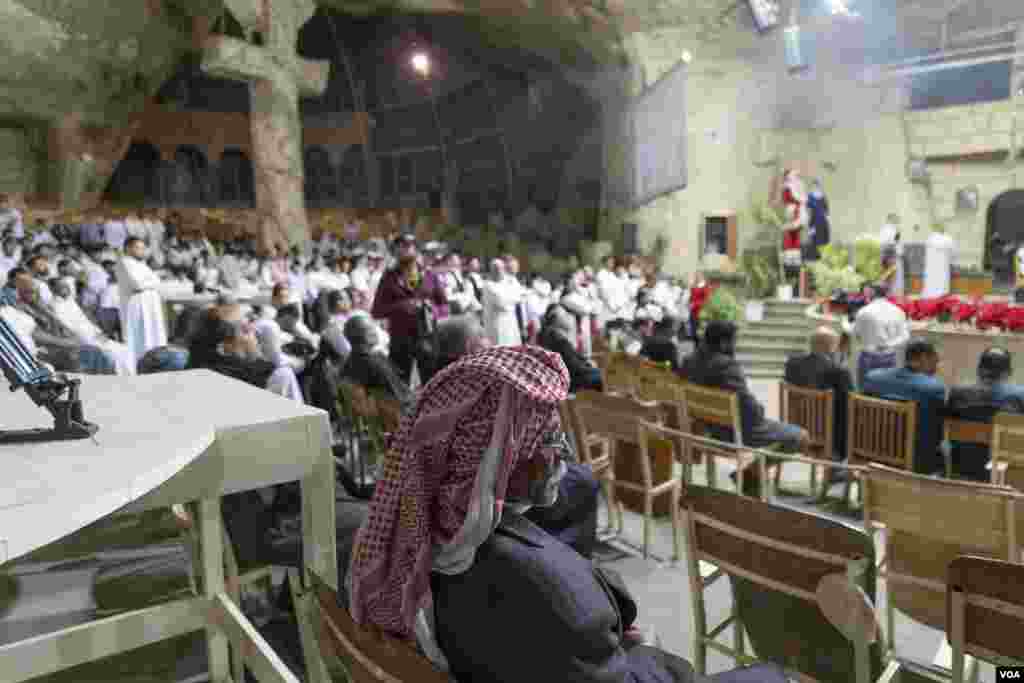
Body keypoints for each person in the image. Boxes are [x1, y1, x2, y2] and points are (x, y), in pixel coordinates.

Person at [347, 346, 727, 682]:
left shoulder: (405, 548)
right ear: (494, 464)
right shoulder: (551, 593)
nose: (562, 447)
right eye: (545, 438)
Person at [681, 320, 809, 496]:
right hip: (734, 432)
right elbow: (749, 409)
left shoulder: (689, 361)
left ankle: (749, 475)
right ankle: (750, 473)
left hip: (706, 428)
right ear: (725, 342)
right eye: (734, 340)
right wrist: (760, 411)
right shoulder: (726, 366)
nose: (736, 344)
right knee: (800, 437)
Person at [863, 338, 947, 475]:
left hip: (869, 452)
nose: (937, 366)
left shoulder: (873, 378)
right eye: (936, 361)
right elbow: (936, 432)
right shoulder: (933, 388)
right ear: (923, 358)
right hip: (909, 459)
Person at [783, 327, 854, 491]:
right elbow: (850, 401)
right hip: (826, 432)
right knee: (854, 416)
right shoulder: (839, 371)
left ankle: (835, 466)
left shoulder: (792, 364)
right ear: (831, 346)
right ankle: (836, 465)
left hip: (798, 424)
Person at [371, 235, 447, 384]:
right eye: (399, 247)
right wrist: (402, 306)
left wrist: (432, 311)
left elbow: (444, 305)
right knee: (399, 385)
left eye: (408, 246)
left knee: (432, 383)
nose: (404, 250)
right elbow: (376, 311)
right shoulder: (389, 277)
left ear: (416, 250)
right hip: (400, 340)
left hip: (427, 338)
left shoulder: (430, 275)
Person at [187, 308, 302, 401]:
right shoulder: (278, 376)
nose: (254, 333)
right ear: (225, 347)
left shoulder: (189, 378)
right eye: (246, 329)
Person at [946, 347, 1024, 480]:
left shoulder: (957, 392)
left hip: (962, 466)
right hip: (1005, 470)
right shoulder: (1020, 395)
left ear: (979, 369)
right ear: (1009, 372)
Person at [49, 278, 136, 375]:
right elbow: (68, 328)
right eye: (62, 285)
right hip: (83, 338)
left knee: (123, 349)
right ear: (53, 289)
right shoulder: (54, 305)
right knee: (112, 354)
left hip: (93, 333)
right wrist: (91, 336)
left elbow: (85, 320)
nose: (66, 287)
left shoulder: (71, 301)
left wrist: (98, 332)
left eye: (66, 285)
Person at [116, 236, 168, 364]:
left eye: (143, 248)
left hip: (149, 305)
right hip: (136, 306)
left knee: (153, 335)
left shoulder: (141, 264)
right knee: (139, 338)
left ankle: (155, 361)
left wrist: (152, 282)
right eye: (138, 248)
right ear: (128, 248)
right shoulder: (124, 262)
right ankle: (138, 364)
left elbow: (156, 281)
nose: (142, 251)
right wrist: (153, 282)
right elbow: (138, 285)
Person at [339, 315, 411, 403]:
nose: (376, 331)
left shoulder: (345, 366)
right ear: (366, 335)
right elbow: (401, 398)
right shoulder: (376, 363)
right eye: (372, 328)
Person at [849, 284, 909, 389]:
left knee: (865, 393)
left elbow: (855, 333)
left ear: (871, 294)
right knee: (887, 392)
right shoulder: (898, 311)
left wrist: (845, 324)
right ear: (887, 294)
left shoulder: (864, 311)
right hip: (889, 357)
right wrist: (888, 344)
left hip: (868, 357)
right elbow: (905, 336)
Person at [538, 304, 603, 393]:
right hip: (573, 380)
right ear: (555, 319)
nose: (569, 317)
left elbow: (573, 357)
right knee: (607, 377)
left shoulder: (550, 335)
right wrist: (592, 368)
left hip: (569, 376)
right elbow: (575, 368)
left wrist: (587, 362)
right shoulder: (558, 340)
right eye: (565, 315)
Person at [482, 257, 523, 347]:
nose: (499, 271)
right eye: (496, 269)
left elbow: (519, 296)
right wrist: (511, 299)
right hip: (496, 323)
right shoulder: (488, 285)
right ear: (491, 270)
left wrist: (510, 299)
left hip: (510, 322)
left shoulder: (508, 282)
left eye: (501, 268)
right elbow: (501, 303)